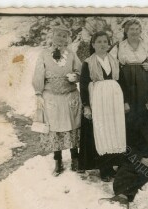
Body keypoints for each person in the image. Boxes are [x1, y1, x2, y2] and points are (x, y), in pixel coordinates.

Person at [32, 24, 82, 177]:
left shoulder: (72, 54)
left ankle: (75, 158)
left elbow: (80, 71)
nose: (61, 38)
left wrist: (75, 76)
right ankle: (58, 160)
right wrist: (38, 93)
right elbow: (38, 74)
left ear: (68, 39)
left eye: (64, 36)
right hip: (51, 97)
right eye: (58, 35)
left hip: (69, 95)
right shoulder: (44, 54)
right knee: (54, 128)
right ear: (52, 36)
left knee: (72, 125)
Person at [78, 31, 128, 182]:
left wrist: (125, 102)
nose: (102, 44)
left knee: (114, 130)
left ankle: (115, 164)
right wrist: (86, 106)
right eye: (98, 42)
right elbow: (84, 85)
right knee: (102, 132)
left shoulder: (115, 61)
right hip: (98, 100)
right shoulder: (88, 63)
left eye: (105, 42)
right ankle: (104, 168)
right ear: (93, 44)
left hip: (114, 100)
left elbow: (122, 82)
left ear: (108, 44)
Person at [115, 19, 148, 119]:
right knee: (129, 105)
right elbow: (112, 62)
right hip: (126, 77)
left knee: (143, 104)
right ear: (126, 31)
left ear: (140, 31)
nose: (134, 31)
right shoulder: (119, 46)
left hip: (143, 77)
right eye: (131, 29)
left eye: (137, 29)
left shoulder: (147, 45)